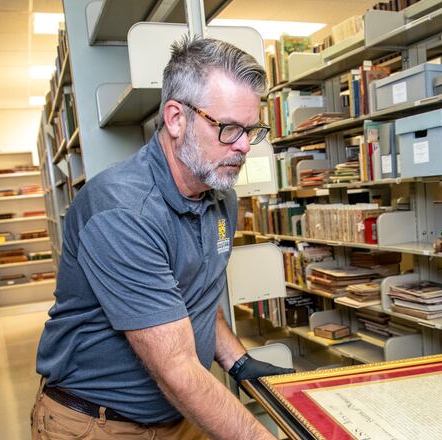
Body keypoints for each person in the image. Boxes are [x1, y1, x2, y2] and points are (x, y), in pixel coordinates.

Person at [32, 37, 293, 440]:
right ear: (175, 118)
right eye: (228, 128)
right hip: (99, 424)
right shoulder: (122, 212)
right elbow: (177, 371)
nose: (243, 147)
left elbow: (196, 295)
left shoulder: (220, 195)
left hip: (180, 411)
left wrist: (238, 362)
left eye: (251, 130)